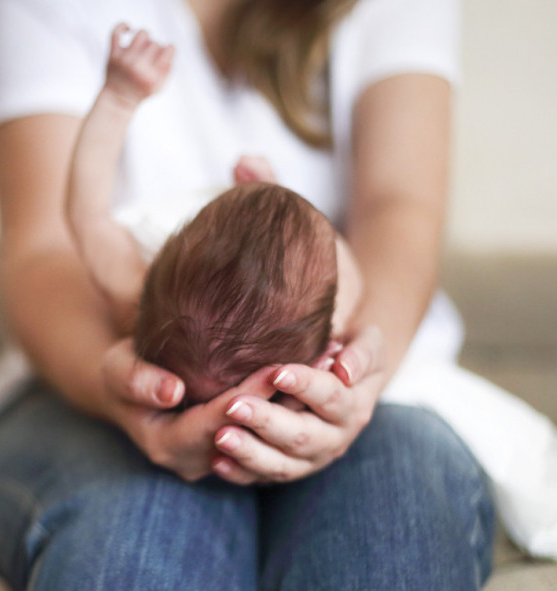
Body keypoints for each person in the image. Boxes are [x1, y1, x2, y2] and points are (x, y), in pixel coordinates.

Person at [0, 0, 495, 591]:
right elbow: (45, 246)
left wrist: (361, 376)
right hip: (82, 386)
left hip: (380, 391)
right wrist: (112, 381)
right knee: (148, 508)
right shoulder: (130, 297)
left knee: (388, 490)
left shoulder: (137, 285)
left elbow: (397, 208)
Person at [67, 24, 364, 404]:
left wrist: (119, 98)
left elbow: (86, 212)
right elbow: (349, 282)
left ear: (164, 254)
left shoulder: (132, 295)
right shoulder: (317, 356)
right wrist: (276, 192)